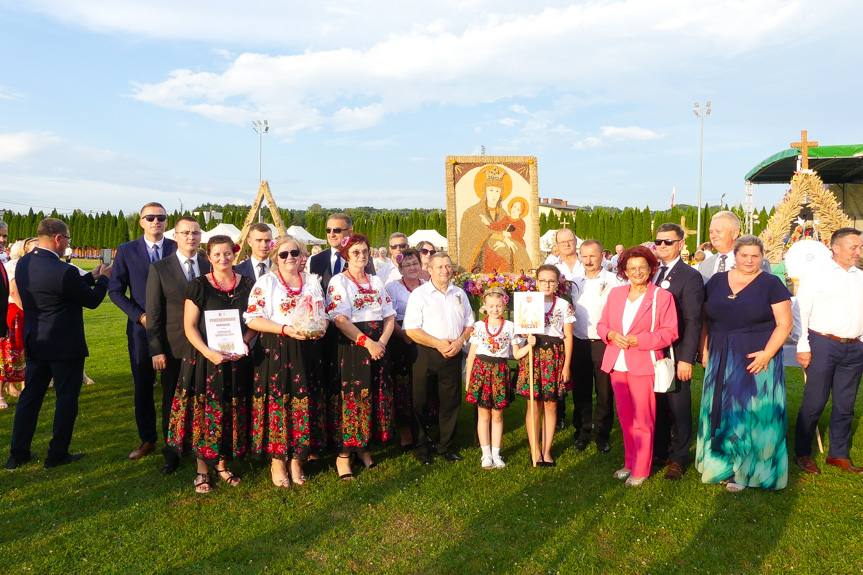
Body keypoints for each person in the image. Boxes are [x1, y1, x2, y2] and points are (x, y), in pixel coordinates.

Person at [5, 218, 111, 470]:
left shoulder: (24, 263)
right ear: (58, 239)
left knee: (30, 397)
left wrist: (89, 277)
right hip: (64, 345)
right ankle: (57, 453)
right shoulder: (64, 271)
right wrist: (104, 278)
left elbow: (60, 289)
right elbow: (93, 300)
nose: (68, 246)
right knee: (66, 399)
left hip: (36, 339)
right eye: (68, 240)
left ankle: (17, 453)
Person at [696, 235, 792, 492]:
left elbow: (785, 324)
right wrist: (703, 348)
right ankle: (719, 464)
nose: (749, 261)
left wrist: (767, 354)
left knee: (751, 413)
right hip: (719, 353)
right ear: (735, 256)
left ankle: (749, 472)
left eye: (755, 256)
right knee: (720, 410)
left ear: (762, 257)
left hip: (756, 356)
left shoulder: (772, 283)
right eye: (744, 255)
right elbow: (705, 319)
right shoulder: (716, 281)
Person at [167, 236, 256, 493]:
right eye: (217, 254)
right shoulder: (199, 285)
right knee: (205, 414)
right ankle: (202, 469)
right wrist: (208, 352)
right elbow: (189, 326)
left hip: (237, 360)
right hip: (205, 361)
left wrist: (245, 343)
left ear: (234, 254)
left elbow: (253, 323)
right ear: (209, 256)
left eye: (227, 254)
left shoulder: (248, 285)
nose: (223, 259)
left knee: (230, 411)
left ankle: (222, 465)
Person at [245, 235, 328, 487]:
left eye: (295, 253)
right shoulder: (267, 282)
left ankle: (297, 458)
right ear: (275, 257)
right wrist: (283, 329)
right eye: (283, 254)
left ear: (302, 255)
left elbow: (322, 312)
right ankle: (277, 459)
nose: (290, 258)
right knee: (278, 402)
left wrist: (321, 325)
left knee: (304, 401)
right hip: (277, 348)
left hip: (308, 348)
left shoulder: (312, 281)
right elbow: (252, 319)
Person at [597, 246, 678, 487]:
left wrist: (638, 340)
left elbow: (670, 332)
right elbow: (602, 324)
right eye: (631, 268)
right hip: (616, 364)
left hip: (643, 364)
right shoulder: (616, 294)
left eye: (642, 267)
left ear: (652, 268)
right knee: (625, 418)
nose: (637, 272)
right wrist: (610, 333)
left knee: (643, 419)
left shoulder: (662, 297)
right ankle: (630, 462)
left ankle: (642, 469)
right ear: (623, 270)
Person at [110, 202, 177, 461]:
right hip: (141, 331)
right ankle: (148, 439)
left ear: (166, 222)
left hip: (174, 330)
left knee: (172, 386)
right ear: (141, 222)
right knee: (143, 386)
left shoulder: (176, 248)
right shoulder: (127, 251)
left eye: (160, 217)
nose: (155, 221)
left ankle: (174, 439)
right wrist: (140, 316)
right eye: (150, 217)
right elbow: (115, 290)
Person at [326, 233, 395, 480]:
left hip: (378, 346)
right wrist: (368, 344)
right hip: (353, 346)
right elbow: (340, 319)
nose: (361, 256)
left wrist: (382, 343)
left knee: (372, 397)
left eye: (365, 251)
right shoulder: (339, 281)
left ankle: (363, 447)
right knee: (352, 399)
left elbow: (389, 315)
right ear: (346, 255)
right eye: (356, 252)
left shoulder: (375, 281)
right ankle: (343, 455)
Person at [144, 216, 210, 475]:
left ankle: (203, 448)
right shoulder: (160, 268)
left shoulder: (209, 264)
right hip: (172, 348)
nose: (191, 237)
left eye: (195, 233)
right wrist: (156, 349)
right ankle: (171, 452)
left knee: (204, 398)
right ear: (175, 236)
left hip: (206, 345)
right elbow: (154, 312)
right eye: (185, 233)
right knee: (172, 400)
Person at [795, 228, 863, 475]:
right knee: (815, 402)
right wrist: (803, 345)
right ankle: (803, 453)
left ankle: (838, 454)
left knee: (846, 405)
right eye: (853, 247)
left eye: (860, 247)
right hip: (823, 343)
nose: (858, 251)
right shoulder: (816, 274)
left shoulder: (859, 276)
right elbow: (801, 311)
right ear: (836, 247)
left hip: (854, 347)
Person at [308, 213, 375, 447]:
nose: (332, 234)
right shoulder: (316, 260)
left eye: (337, 230)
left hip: (352, 334)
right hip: (323, 333)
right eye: (328, 231)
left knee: (346, 388)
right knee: (324, 384)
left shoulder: (363, 258)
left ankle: (350, 438)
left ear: (349, 232)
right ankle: (325, 436)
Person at [404, 252, 474, 465]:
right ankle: (422, 448)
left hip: (452, 352)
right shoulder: (419, 294)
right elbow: (411, 329)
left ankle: (445, 445)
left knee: (450, 402)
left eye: (447, 266)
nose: (444, 270)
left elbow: (470, 324)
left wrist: (460, 341)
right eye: (440, 267)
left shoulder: (459, 293)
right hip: (426, 353)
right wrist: (438, 343)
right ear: (430, 270)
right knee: (420, 402)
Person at [651, 224, 705, 480]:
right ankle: (660, 451)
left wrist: (686, 358)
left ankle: (679, 456)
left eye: (668, 242)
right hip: (652, 351)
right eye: (658, 241)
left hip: (676, 351)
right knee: (657, 404)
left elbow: (694, 320)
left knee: (679, 405)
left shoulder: (690, 276)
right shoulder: (651, 272)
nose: (661, 246)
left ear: (681, 244)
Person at [568, 240, 624, 453]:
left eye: (593, 256)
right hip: (579, 341)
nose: (588, 261)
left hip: (605, 342)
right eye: (584, 256)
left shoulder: (615, 280)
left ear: (602, 256)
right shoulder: (573, 281)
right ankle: (581, 433)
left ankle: (602, 434)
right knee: (581, 391)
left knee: (604, 392)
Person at [515, 265, 574, 466]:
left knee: (551, 403)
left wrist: (566, 366)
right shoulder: (528, 302)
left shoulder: (563, 305)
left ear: (557, 283)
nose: (547, 284)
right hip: (534, 353)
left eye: (551, 281)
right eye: (543, 281)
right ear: (536, 282)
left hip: (555, 355)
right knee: (534, 404)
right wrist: (525, 334)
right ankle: (535, 450)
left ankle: (547, 450)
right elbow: (520, 332)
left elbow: (568, 337)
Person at [466, 287, 523, 469]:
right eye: (491, 306)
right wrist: (468, 380)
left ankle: (497, 453)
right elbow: (471, 355)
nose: (495, 309)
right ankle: (485, 454)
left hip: (499, 371)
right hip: (481, 371)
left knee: (497, 414)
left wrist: (529, 345)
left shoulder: (510, 326)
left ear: (505, 305)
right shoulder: (478, 327)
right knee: (483, 413)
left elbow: (516, 353)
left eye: (498, 306)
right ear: (484, 306)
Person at [385, 248, 425, 450]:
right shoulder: (393, 288)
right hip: (401, 339)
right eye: (407, 265)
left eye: (414, 263)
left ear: (421, 265)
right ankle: (405, 432)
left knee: (421, 385)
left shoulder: (427, 286)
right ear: (400, 268)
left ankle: (423, 428)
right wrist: (404, 335)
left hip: (423, 339)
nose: (412, 268)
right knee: (402, 386)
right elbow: (389, 316)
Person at [553, 228, 584, 432]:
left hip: (585, 329)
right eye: (562, 242)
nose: (566, 244)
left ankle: (582, 420)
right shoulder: (552, 266)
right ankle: (559, 416)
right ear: (556, 245)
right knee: (559, 374)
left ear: (575, 241)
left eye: (570, 240)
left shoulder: (588, 263)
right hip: (561, 330)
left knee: (581, 378)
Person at [1, 237, 33, 408]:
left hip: (25, 311)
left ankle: (21, 384)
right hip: (15, 312)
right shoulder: (13, 265)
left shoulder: (32, 265)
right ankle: (6, 388)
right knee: (11, 349)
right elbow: (14, 292)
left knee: (24, 349)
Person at [700, 211, 770, 282]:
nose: (713, 236)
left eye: (718, 231)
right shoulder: (704, 265)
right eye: (711, 232)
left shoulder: (756, 262)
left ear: (734, 234)